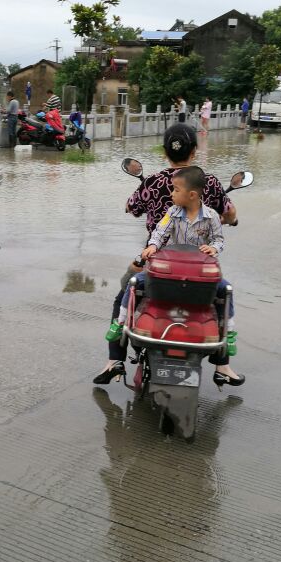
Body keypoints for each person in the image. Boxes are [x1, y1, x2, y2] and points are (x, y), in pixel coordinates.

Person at [94, 124, 242, 386]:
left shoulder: (152, 181)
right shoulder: (206, 182)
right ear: (194, 151)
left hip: (158, 265)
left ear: (165, 152)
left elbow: (131, 207)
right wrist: (228, 220)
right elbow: (230, 215)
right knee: (222, 297)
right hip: (198, 269)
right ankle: (223, 365)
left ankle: (114, 360)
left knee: (124, 295)